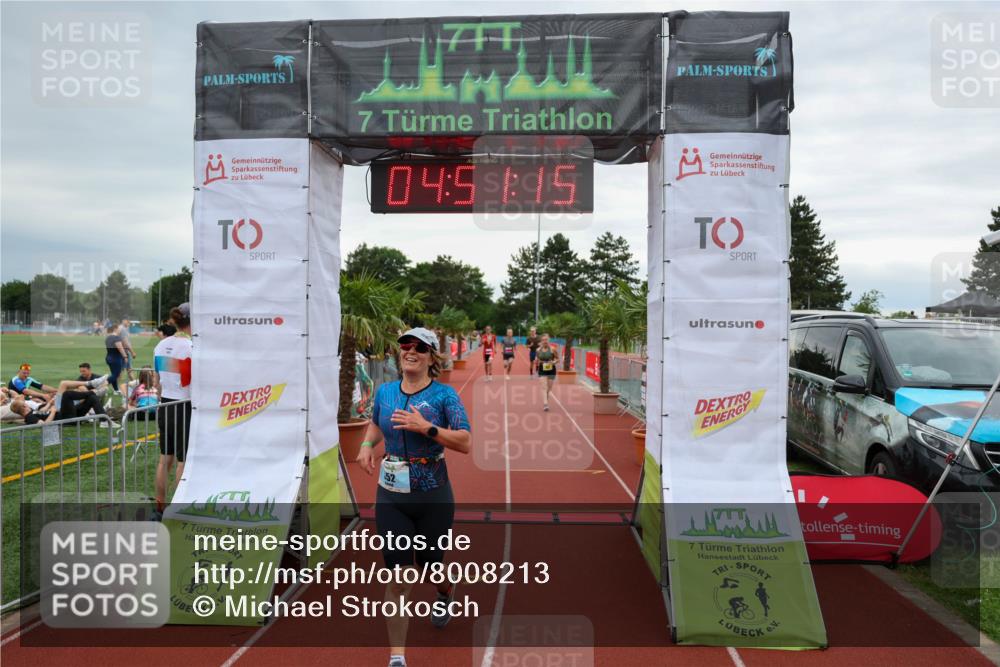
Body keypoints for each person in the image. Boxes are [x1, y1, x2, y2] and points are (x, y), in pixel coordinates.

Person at [356, 327, 471, 667]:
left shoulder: (444, 396)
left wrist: (427, 428)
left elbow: (465, 442)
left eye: (420, 347)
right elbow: (377, 423)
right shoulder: (386, 391)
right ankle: (397, 658)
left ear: (432, 356)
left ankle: (444, 591)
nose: (411, 351)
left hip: (433, 494)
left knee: (432, 567)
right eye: (406, 345)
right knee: (399, 577)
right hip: (392, 496)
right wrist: (366, 444)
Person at [153, 303, 193, 519]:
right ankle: (179, 511)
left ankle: (160, 506)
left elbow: (157, 382)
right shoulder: (191, 347)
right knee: (182, 462)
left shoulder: (160, 346)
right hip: (183, 405)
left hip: (165, 404)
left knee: (163, 460)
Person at [8, 377, 110, 425]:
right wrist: (52, 412)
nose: (25, 404)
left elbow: (42, 412)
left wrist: (49, 404)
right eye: (24, 404)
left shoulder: (30, 414)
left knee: (91, 399)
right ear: (23, 408)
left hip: (70, 415)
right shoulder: (29, 417)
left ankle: (104, 421)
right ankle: (93, 390)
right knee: (67, 393)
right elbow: (44, 425)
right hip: (66, 418)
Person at [534, 333, 560, 411]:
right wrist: (536, 361)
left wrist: (553, 362)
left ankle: (546, 400)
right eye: (543, 340)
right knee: (544, 387)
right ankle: (545, 404)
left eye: (546, 340)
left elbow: (558, 359)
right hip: (542, 369)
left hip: (551, 370)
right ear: (541, 341)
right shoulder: (538, 350)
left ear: (549, 340)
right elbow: (537, 358)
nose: (545, 341)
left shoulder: (553, 349)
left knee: (549, 388)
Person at [105, 327, 129, 405]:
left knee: (114, 374)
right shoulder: (116, 338)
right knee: (116, 374)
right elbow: (120, 347)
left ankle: (116, 390)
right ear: (115, 330)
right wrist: (125, 356)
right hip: (116, 358)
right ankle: (102, 386)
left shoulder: (108, 337)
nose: (120, 331)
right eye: (119, 330)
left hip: (109, 357)